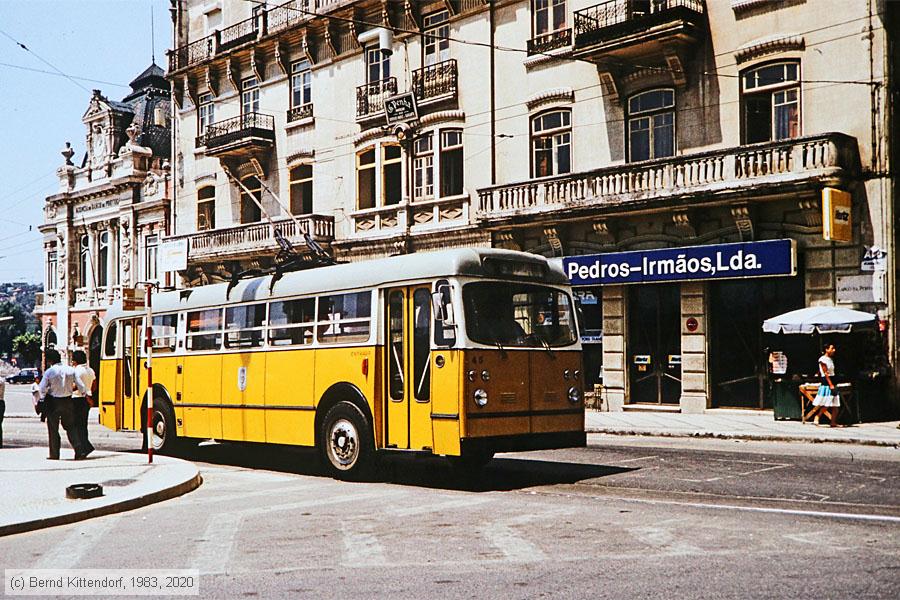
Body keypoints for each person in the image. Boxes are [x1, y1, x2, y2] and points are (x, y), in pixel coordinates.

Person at [40, 349, 89, 460]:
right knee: (71, 427)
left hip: (53, 402)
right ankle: (78, 450)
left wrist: (43, 397)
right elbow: (81, 385)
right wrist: (84, 394)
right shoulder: (70, 370)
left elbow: (42, 388)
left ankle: (54, 454)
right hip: (68, 401)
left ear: (49, 360)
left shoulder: (50, 372)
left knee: (53, 429)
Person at [808, 343, 841, 427]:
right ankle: (817, 416)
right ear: (826, 349)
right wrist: (830, 385)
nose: (833, 350)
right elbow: (825, 373)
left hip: (833, 380)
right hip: (827, 383)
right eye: (831, 348)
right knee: (827, 403)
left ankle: (833, 422)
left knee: (835, 405)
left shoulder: (830, 359)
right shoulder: (822, 359)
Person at [71, 350, 96, 457]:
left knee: (76, 426)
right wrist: (89, 391)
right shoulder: (90, 370)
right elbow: (95, 385)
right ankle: (85, 447)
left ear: (75, 361)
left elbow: (75, 386)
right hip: (87, 400)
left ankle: (84, 447)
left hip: (77, 398)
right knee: (83, 425)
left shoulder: (76, 371)